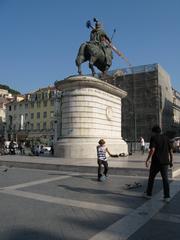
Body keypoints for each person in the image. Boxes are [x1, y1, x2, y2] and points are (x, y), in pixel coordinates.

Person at [144, 125, 173, 202]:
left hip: (156, 162)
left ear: (154, 132)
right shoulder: (166, 138)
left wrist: (148, 160)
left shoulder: (153, 138)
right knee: (165, 179)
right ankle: (167, 196)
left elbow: (152, 149)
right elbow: (170, 151)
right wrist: (171, 161)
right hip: (165, 162)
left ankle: (148, 194)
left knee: (151, 178)